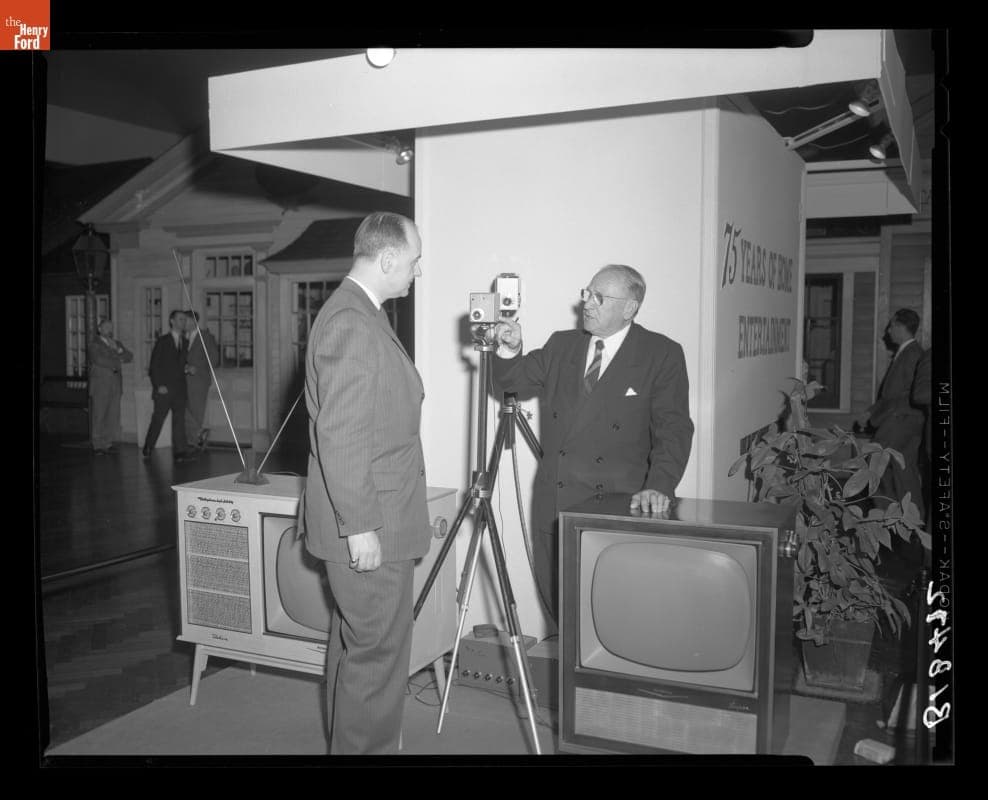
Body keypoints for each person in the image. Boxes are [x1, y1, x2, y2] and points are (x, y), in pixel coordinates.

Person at [492, 264, 695, 622]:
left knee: (610, 613)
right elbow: (512, 383)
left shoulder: (660, 354)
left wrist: (660, 486)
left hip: (614, 505)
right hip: (555, 502)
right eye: (587, 292)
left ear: (629, 308)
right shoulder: (561, 345)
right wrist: (510, 348)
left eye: (600, 298)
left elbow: (673, 429)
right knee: (561, 610)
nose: (587, 303)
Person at [297, 211, 429, 755]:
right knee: (375, 661)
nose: (420, 270)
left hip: (373, 513)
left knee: (358, 654)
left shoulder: (360, 314)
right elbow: (342, 436)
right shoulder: (352, 322)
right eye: (416, 260)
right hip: (371, 521)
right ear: (389, 258)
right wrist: (362, 528)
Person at [856, 308, 926, 518]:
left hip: (900, 421)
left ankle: (884, 515)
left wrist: (872, 414)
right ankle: (912, 521)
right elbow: (894, 394)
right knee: (905, 472)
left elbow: (896, 395)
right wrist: (870, 412)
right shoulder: (908, 353)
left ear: (900, 326)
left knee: (876, 464)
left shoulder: (912, 354)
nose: (888, 331)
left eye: (891, 325)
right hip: (906, 421)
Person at [142, 309, 192, 462]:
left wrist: (188, 368)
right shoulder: (163, 341)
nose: (183, 322)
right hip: (164, 388)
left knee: (179, 420)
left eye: (184, 320)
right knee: (158, 418)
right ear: (172, 321)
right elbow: (154, 366)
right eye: (180, 319)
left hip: (179, 389)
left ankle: (180, 451)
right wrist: (159, 385)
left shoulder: (185, 342)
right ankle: (148, 446)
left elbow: (179, 364)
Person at [87, 318, 133, 455]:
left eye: (111, 327)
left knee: (112, 415)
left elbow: (129, 356)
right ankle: (97, 444)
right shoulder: (94, 344)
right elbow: (98, 360)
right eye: (106, 327)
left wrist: (118, 349)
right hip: (101, 384)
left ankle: (107, 442)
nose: (109, 330)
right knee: (99, 415)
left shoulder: (116, 343)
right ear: (99, 329)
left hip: (115, 384)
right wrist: (118, 361)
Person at [183, 309, 220, 452]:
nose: (183, 323)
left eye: (185, 320)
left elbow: (214, 359)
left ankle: (193, 443)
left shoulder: (206, 336)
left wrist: (197, 368)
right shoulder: (182, 338)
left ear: (193, 321)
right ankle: (199, 434)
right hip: (182, 380)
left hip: (198, 380)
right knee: (181, 410)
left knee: (196, 411)